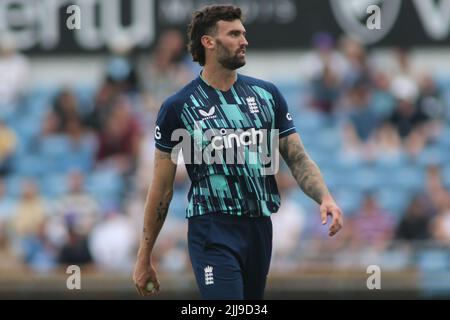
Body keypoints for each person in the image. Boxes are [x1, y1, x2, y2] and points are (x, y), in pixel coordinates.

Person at [133, 4, 343, 300]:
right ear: (208, 42)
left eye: (243, 33)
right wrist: (144, 256)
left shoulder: (267, 95)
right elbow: (162, 188)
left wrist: (325, 197)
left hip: (259, 226)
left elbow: (296, 158)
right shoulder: (178, 107)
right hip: (212, 227)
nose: (244, 40)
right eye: (233, 34)